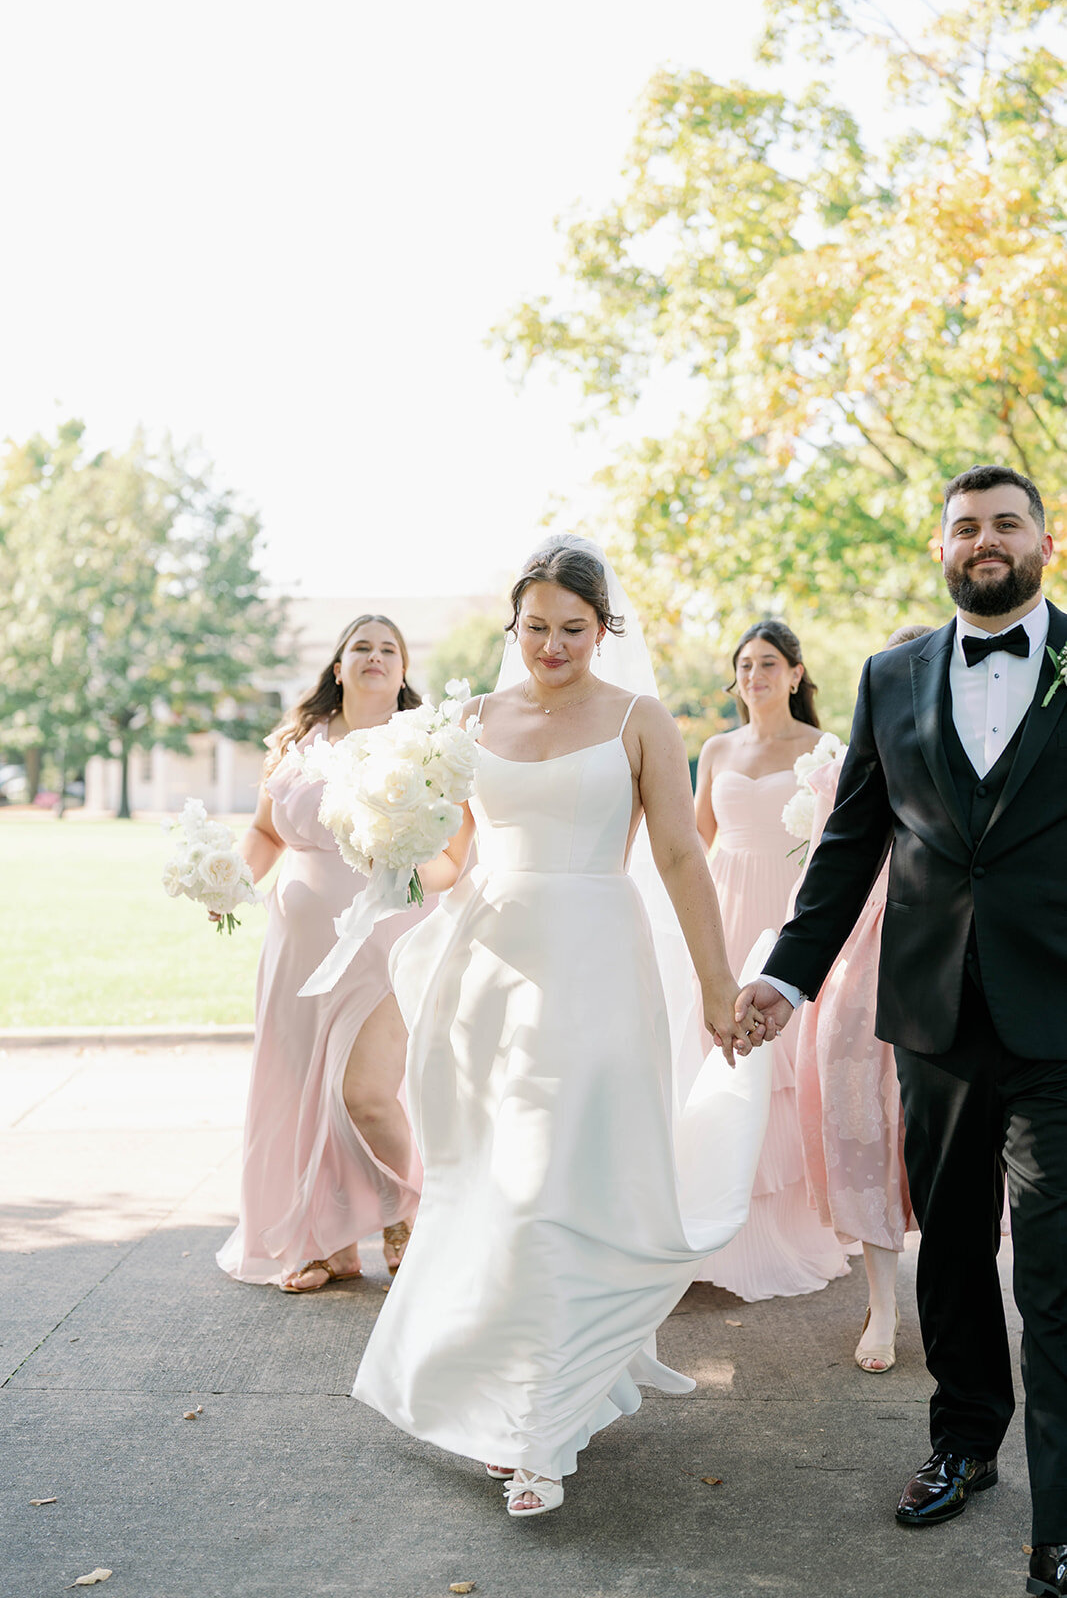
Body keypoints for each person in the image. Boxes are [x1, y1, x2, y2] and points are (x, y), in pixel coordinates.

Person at [352, 535, 771, 1518]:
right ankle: (503, 1389)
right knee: (496, 1186)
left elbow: (675, 853)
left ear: (603, 628)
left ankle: (535, 1432)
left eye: (570, 629)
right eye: (534, 626)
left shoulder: (637, 720)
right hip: (485, 970)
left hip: (590, 964)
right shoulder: (466, 720)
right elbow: (454, 858)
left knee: (550, 1181)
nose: (549, 644)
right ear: (515, 625)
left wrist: (715, 985)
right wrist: (393, 850)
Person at [741, 466, 1067, 1597]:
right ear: (940, 548)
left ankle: (1059, 1530)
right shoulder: (889, 677)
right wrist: (781, 982)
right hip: (929, 1017)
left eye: (1005, 523)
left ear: (1042, 539)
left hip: (1058, 1022)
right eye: (965, 526)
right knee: (953, 1249)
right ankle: (963, 1442)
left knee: (1057, 1276)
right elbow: (847, 846)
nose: (985, 540)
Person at [216, 615, 437, 1292]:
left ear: (402, 673)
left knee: (364, 1096)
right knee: (295, 1092)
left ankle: (405, 1212)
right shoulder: (295, 747)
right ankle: (317, 1242)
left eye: (388, 649)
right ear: (337, 668)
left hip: (382, 941)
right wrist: (225, 880)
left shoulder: (420, 748)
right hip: (297, 948)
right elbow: (262, 833)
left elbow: (455, 851)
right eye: (359, 647)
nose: (374, 657)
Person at [690, 621, 849, 1300]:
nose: (753, 675)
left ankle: (777, 1223)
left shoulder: (822, 749)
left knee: (778, 1071)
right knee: (713, 1058)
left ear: (794, 673)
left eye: (767, 663)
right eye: (744, 665)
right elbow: (697, 838)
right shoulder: (716, 747)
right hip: (723, 905)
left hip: (786, 913)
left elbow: (839, 840)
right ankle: (709, 1216)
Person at [792, 624, 931, 1373]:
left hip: (942, 956)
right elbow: (826, 876)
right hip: (858, 962)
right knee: (866, 1135)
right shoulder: (831, 774)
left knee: (938, 1137)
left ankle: (947, 1298)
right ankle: (882, 1303)